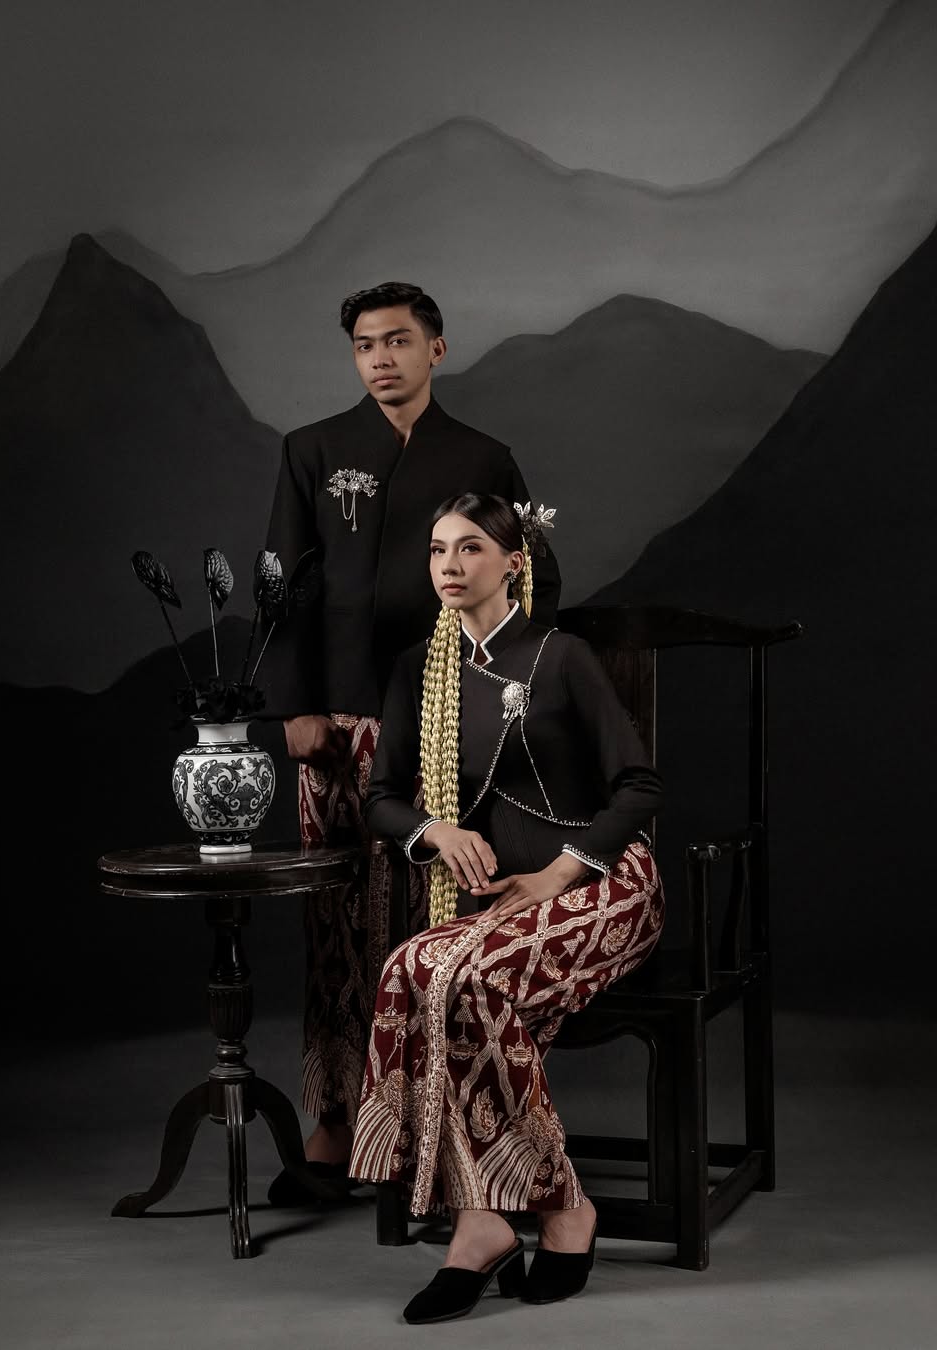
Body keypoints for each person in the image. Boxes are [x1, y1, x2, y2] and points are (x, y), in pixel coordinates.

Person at [263, 284, 560, 1200]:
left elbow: (534, 579)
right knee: (335, 920)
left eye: (397, 341)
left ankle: (428, 1127)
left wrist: (494, 691)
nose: (380, 358)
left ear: (437, 349)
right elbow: (283, 586)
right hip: (340, 719)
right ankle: (330, 1120)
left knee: (432, 915)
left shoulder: (482, 456)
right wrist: (295, 706)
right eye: (364, 345)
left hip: (447, 719)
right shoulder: (313, 449)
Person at [350, 493, 664, 1323]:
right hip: (497, 901)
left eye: (471, 549)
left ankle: (517, 1217)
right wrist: (435, 829)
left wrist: (561, 872)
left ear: (513, 561)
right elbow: (382, 798)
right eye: (437, 550)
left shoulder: (560, 657)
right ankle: (509, 1214)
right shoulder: (420, 668)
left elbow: (640, 788)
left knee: (469, 979)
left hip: (600, 884)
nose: (449, 566)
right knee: (412, 967)